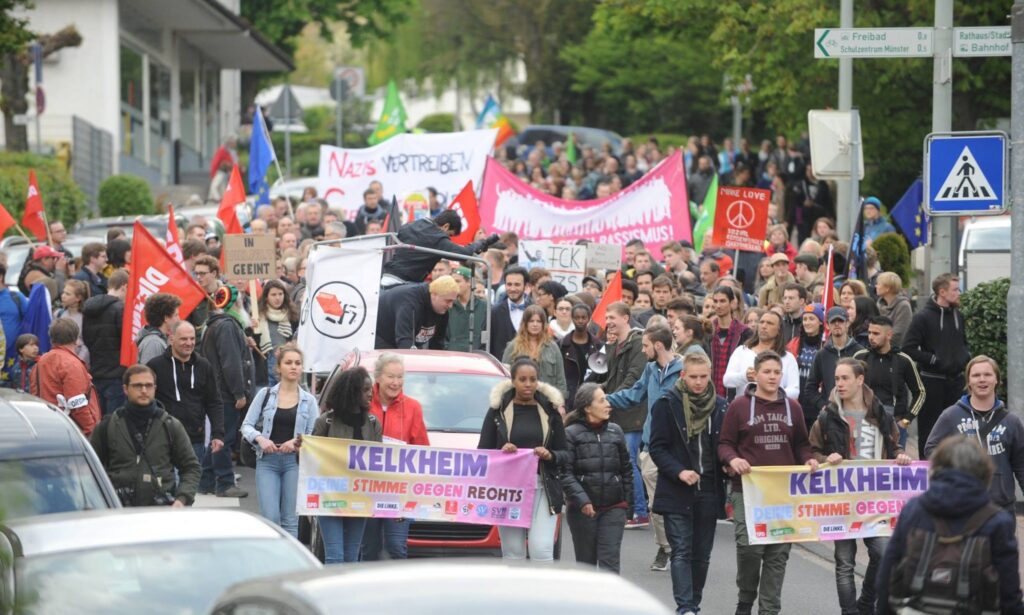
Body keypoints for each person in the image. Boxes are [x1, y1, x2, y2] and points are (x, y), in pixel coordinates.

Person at [808, 358, 912, 615]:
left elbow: (894, 445)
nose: (839, 383)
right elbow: (811, 452)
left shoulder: (880, 414)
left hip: (875, 501)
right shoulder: (827, 414)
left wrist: (900, 455)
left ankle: (866, 603)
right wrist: (824, 459)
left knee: (884, 552)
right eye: (837, 378)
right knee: (844, 562)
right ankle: (849, 612)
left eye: (845, 378)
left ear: (859, 380)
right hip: (841, 502)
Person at [718, 350, 818, 615]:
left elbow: (802, 445)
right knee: (749, 548)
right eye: (767, 372)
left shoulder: (793, 408)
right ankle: (746, 598)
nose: (773, 377)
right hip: (748, 491)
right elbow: (725, 443)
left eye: (777, 372)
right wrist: (733, 459)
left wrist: (809, 460)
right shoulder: (739, 406)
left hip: (783, 495)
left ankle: (769, 610)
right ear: (756, 374)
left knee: (777, 555)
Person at [876, 436, 1024, 615]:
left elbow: (886, 576)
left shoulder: (914, 510)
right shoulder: (997, 521)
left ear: (937, 467)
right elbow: (1009, 592)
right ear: (985, 473)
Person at [648, 353, 728, 613]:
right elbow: (657, 448)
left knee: (701, 555)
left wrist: (727, 463)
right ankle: (685, 608)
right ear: (683, 376)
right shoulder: (666, 404)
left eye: (703, 377)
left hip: (708, 488)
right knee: (681, 550)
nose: (698, 382)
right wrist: (679, 471)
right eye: (693, 377)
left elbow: (724, 445)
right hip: (677, 488)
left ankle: (693, 602)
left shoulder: (720, 406)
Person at [478, 358, 568, 561]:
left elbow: (565, 453)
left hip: (542, 487)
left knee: (542, 549)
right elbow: (483, 452)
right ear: (513, 381)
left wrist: (549, 454)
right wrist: (502, 451)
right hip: (509, 491)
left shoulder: (550, 410)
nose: (528, 385)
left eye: (533, 380)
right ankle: (514, 593)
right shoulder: (497, 410)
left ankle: (541, 593)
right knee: (513, 552)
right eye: (522, 379)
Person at [606, 324, 682, 553]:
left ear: (658, 345)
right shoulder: (650, 370)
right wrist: (605, 399)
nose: (643, 350)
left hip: (680, 447)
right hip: (652, 446)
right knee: (656, 504)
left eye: (646, 346)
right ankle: (666, 548)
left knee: (679, 503)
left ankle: (681, 547)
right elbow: (634, 396)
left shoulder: (685, 370)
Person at [923, 356, 1024, 514]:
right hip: (962, 506)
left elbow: (1021, 465)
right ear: (968, 381)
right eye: (976, 375)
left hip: (1002, 507)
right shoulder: (950, 415)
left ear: (997, 379)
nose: (982, 379)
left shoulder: (1012, 421)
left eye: (987, 375)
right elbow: (931, 449)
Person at [90, 364, 200, 507]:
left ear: (155, 388)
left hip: (160, 513)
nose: (143, 390)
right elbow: (89, 470)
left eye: (148, 385)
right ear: (125, 389)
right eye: (137, 386)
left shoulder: (170, 425)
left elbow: (191, 467)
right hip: (118, 511)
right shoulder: (107, 427)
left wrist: (182, 499)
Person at [240, 344, 316, 536]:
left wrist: (297, 441)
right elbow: (246, 425)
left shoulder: (309, 400)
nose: (294, 367)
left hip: (294, 463)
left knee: (291, 520)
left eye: (298, 363)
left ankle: (293, 564)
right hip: (267, 462)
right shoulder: (265, 394)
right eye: (288, 362)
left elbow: (314, 435)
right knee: (270, 518)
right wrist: (260, 439)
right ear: (279, 367)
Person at [363, 353, 430, 560]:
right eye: (391, 377)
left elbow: (422, 449)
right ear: (378, 377)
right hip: (366, 488)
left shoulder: (413, 407)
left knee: (396, 546)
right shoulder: (363, 404)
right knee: (368, 548)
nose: (396, 382)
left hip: (399, 490)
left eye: (400, 377)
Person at [312, 366, 382, 563]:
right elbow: (309, 463)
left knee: (352, 557)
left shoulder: (372, 423)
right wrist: (303, 449)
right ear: (352, 391)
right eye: (365, 390)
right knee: (335, 556)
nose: (371, 394)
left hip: (359, 498)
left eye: (371, 389)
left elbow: (379, 465)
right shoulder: (325, 422)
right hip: (330, 496)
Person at [561, 383, 633, 573]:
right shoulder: (570, 434)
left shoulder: (616, 431)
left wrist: (627, 505)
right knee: (587, 568)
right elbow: (565, 473)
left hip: (614, 508)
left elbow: (626, 470)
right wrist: (582, 500)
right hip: (582, 511)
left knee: (610, 565)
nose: (608, 404)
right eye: (602, 400)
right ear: (587, 407)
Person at [902, 272, 971, 458]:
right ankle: (927, 471)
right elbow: (907, 348)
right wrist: (933, 359)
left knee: (958, 429)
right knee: (930, 431)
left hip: (956, 383)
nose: (959, 293)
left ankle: (956, 470)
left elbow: (963, 343)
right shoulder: (923, 317)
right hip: (931, 383)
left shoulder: (959, 316)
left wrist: (965, 356)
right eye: (955, 289)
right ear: (942, 292)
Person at [146, 321, 224, 475]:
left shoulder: (204, 366)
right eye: (183, 339)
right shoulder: (155, 366)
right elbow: (144, 400)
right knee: (170, 488)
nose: (189, 343)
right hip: (163, 439)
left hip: (194, 439)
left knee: (188, 491)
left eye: (192, 339)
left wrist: (218, 433)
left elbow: (214, 402)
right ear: (171, 338)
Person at [598, 301, 650, 528]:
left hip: (632, 414)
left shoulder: (637, 343)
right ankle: (629, 508)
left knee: (629, 462)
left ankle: (639, 511)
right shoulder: (616, 344)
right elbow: (610, 376)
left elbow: (633, 380)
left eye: (612, 318)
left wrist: (607, 400)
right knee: (623, 462)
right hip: (618, 411)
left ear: (626, 318)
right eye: (607, 318)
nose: (608, 322)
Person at [200, 285, 253, 498]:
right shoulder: (227, 326)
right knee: (225, 437)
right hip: (225, 393)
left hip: (218, 390)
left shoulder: (216, 325)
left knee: (218, 435)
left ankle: (206, 480)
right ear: (234, 304)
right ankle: (224, 483)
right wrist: (239, 393)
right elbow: (231, 363)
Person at [853, 315, 925, 449]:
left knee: (894, 466)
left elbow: (920, 392)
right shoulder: (860, 357)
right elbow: (849, 388)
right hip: (864, 420)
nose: (871, 337)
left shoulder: (904, 360)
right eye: (869, 332)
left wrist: (906, 420)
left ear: (889, 335)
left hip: (895, 423)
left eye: (876, 333)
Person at [381, 210, 499, 286]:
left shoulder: (410, 225)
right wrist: (481, 243)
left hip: (385, 279)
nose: (448, 239)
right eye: (450, 235)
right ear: (446, 226)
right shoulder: (437, 238)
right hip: (403, 285)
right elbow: (464, 253)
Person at [31, 318, 101, 436]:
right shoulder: (72, 364)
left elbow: (34, 393)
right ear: (76, 338)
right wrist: (92, 432)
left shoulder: (40, 363)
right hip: (71, 430)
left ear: (52, 339)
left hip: (45, 426)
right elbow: (77, 405)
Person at [803, 306, 864, 425]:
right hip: (832, 417)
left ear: (847, 323)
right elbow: (810, 388)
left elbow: (868, 384)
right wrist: (825, 405)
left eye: (840, 321)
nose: (837, 324)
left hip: (857, 415)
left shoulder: (860, 352)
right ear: (827, 325)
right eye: (833, 321)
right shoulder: (822, 354)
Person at [723, 310, 800, 399]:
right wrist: (744, 376)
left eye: (770, 323)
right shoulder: (742, 351)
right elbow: (727, 380)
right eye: (761, 322)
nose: (764, 326)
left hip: (774, 409)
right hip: (745, 408)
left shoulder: (787, 358)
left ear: (779, 330)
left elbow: (794, 391)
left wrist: (772, 394)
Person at [82, 269, 128, 415]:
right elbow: (125, 341)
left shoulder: (89, 308)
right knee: (115, 420)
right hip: (116, 374)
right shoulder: (120, 308)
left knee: (98, 417)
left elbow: (86, 338)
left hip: (96, 371)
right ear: (124, 286)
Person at [375, 276, 457, 350]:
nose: (450, 306)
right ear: (434, 294)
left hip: (409, 340)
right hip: (381, 335)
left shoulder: (442, 310)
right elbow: (405, 340)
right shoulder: (411, 303)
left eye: (452, 301)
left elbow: (437, 344)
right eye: (448, 301)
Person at [502, 305, 568, 398]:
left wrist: (560, 403)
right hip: (519, 400)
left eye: (538, 321)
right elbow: (504, 378)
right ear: (525, 323)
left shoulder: (553, 347)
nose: (535, 324)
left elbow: (560, 380)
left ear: (543, 324)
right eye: (531, 321)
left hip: (547, 401)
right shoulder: (513, 346)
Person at [708, 286, 752, 399]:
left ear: (732, 303)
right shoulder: (707, 331)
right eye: (715, 301)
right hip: (709, 394)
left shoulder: (745, 333)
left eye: (722, 301)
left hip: (735, 393)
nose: (718, 305)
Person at [787, 303, 825, 430]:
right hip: (797, 402)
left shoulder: (826, 345)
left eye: (811, 319)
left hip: (817, 403)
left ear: (820, 322)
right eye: (805, 319)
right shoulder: (794, 344)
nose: (807, 322)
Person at [254, 280, 298, 387]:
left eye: (280, 294)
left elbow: (297, 337)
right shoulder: (257, 316)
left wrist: (291, 344)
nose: (277, 298)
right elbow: (254, 344)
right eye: (273, 294)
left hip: (286, 364)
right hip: (265, 365)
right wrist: (252, 329)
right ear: (266, 297)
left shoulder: (292, 315)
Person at [559, 303, 600, 407]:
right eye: (577, 318)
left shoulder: (598, 345)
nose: (580, 321)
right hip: (568, 399)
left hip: (592, 398)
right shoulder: (561, 345)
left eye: (583, 317)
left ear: (589, 319)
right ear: (572, 318)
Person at [489, 266, 530, 358]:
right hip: (502, 366)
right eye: (509, 284)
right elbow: (490, 344)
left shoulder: (534, 310)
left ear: (526, 286)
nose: (512, 288)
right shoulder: (494, 312)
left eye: (517, 284)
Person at [445, 267, 488, 352]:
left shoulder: (484, 307)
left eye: (457, 281)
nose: (453, 285)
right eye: (452, 282)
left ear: (469, 282)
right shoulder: (447, 306)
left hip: (476, 359)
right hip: (451, 358)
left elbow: (487, 338)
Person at [136, 293, 182, 365]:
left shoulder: (159, 340)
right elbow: (149, 373)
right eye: (176, 315)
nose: (179, 319)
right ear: (166, 318)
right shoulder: (153, 343)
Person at [54, 279, 90, 363]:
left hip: (77, 360)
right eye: (63, 292)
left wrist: (79, 360)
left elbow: (87, 343)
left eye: (68, 294)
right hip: (59, 360)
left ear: (78, 298)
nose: (63, 296)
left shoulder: (85, 317)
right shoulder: (58, 314)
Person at [874, 272, 912, 346]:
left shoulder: (903, 306)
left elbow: (899, 333)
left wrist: (879, 342)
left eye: (878, 284)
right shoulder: (879, 305)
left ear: (887, 288)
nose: (876, 286)